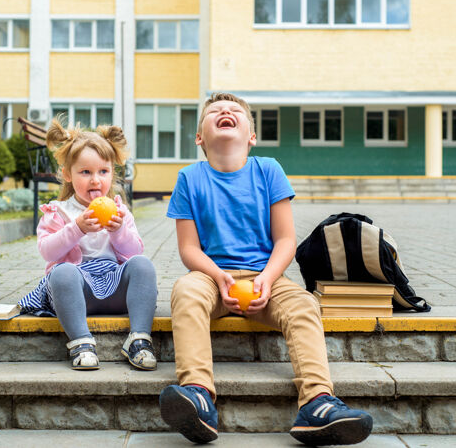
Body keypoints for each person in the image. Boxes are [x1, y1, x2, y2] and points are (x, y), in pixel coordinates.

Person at [159, 93, 373, 445]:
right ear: (199, 137)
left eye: (235, 111)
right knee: (185, 290)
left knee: (304, 304)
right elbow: (188, 248)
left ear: (252, 136)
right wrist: (217, 276)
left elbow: (286, 240)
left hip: (266, 277)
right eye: (215, 111)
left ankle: (317, 403)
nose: (225, 112)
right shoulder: (189, 178)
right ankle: (197, 393)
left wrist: (268, 279)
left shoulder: (268, 170)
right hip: (212, 277)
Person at [19, 120, 158, 371]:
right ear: (67, 175)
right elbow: (47, 251)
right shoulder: (58, 211)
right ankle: (81, 342)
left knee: (143, 265)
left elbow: (134, 251)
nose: (95, 180)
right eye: (86, 172)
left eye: (103, 172)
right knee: (61, 273)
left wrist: (118, 231)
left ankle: (139, 339)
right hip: (77, 292)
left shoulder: (119, 211)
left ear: (112, 174)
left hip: (116, 290)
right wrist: (77, 228)